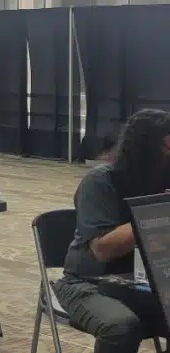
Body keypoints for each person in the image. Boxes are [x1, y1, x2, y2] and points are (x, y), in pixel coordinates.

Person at [53, 109, 170, 353]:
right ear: (148, 148)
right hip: (87, 283)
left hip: (147, 283)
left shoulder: (162, 178)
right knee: (121, 326)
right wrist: (156, 212)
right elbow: (102, 249)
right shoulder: (101, 181)